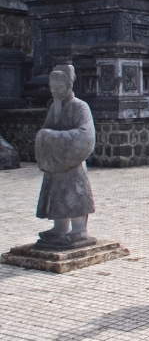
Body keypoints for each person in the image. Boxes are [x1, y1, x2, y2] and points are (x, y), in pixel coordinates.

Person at [35, 65, 97, 246]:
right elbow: (46, 129)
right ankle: (60, 227)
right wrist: (46, 137)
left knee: (75, 194)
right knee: (56, 194)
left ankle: (79, 230)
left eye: (59, 87)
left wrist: (51, 137)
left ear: (69, 85)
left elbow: (86, 135)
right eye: (52, 87)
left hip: (73, 162)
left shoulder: (80, 106)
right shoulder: (54, 108)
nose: (54, 91)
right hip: (57, 162)